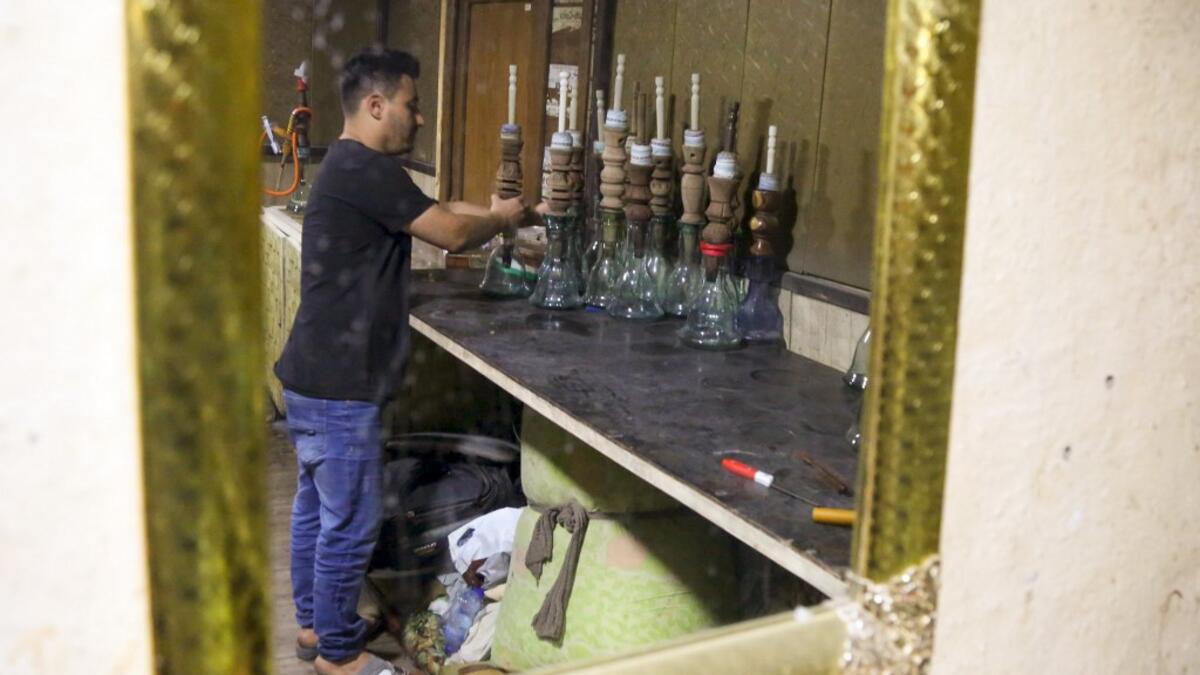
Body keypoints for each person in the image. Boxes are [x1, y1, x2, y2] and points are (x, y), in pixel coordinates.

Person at [274, 47, 528, 675]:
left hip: (314, 377)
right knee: (350, 526)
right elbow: (449, 233)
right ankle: (337, 657)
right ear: (376, 105)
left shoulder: (357, 167)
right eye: (412, 106)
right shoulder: (364, 168)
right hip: (341, 388)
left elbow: (438, 213)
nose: (419, 119)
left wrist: (507, 214)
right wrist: (496, 222)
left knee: (319, 513)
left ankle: (315, 626)